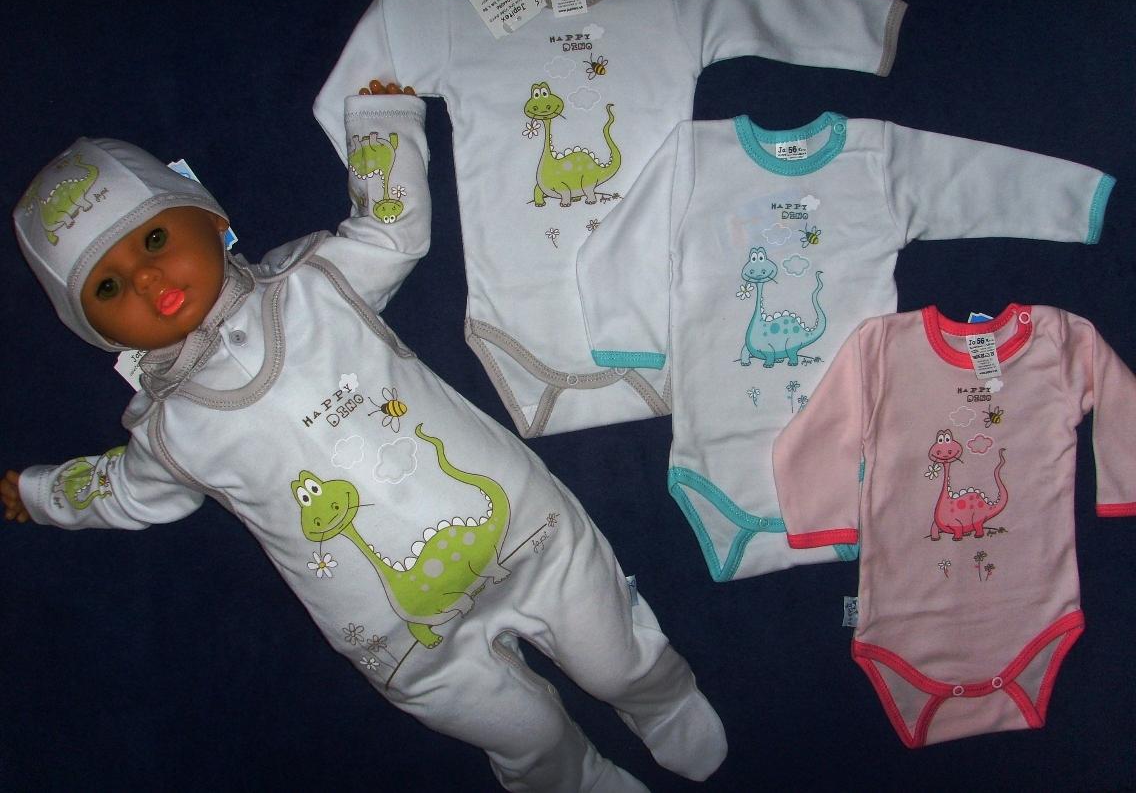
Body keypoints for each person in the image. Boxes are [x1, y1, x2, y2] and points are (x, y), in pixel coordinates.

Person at [3, 82, 726, 793]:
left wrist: (383, 125)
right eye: (107, 288)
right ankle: (570, 779)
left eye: (154, 239)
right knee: (521, 734)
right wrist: (39, 495)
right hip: (402, 638)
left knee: (611, 654)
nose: (145, 277)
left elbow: (392, 231)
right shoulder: (168, 432)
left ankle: (656, 693)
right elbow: (123, 491)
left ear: (209, 217)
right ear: (97, 332)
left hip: (521, 531)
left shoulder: (314, 286)